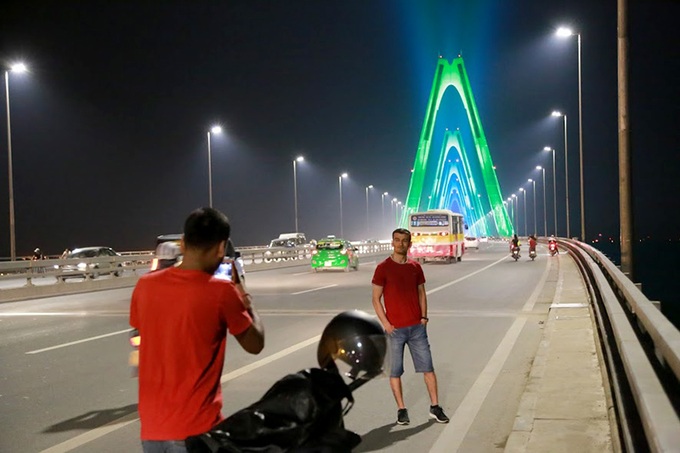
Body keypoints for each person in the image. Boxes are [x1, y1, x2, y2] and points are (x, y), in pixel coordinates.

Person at [130, 207, 265, 452]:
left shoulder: (144, 286)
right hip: (197, 432)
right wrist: (244, 294)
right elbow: (255, 344)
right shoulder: (222, 292)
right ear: (221, 248)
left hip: (151, 431)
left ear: (182, 242)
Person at [371, 228, 449, 426]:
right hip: (394, 331)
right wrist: (386, 325)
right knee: (395, 372)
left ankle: (435, 407)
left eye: (404, 241)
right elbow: (376, 299)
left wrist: (423, 318)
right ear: (392, 242)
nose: (400, 244)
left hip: (416, 328)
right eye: (397, 240)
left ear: (410, 243)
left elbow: (422, 293)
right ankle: (401, 410)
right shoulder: (383, 268)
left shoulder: (415, 267)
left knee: (428, 369)